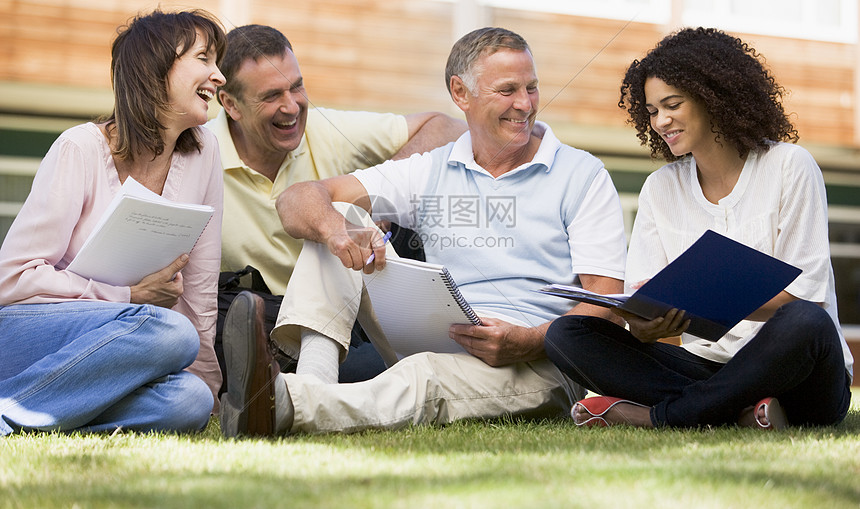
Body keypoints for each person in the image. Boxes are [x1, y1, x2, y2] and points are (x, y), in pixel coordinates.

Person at [219, 26, 629, 437]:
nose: (525, 104)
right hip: (445, 334)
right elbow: (297, 199)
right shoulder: (432, 168)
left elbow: (607, 300)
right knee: (340, 215)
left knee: (424, 374)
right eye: (508, 90)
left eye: (532, 88)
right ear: (461, 93)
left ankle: (285, 403)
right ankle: (312, 381)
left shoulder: (583, 175)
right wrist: (338, 232)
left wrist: (529, 339)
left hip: (539, 365)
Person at [544, 27, 854, 430]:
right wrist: (645, 324)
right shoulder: (660, 188)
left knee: (804, 322)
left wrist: (708, 305)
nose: (661, 121)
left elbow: (805, 297)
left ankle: (663, 417)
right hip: (707, 368)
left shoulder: (790, 166)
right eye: (652, 111)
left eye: (672, 104)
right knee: (567, 333)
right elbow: (641, 303)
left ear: (713, 96)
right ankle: (739, 412)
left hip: (801, 372)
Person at [0, 9, 227, 435]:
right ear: (156, 68)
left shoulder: (205, 154)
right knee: (171, 331)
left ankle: (45, 409)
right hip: (25, 334)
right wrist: (125, 296)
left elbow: (199, 285)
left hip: (123, 347)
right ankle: (9, 415)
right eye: (204, 59)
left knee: (189, 400)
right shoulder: (79, 148)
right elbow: (11, 280)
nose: (219, 76)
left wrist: (207, 382)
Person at [208, 24, 467, 390]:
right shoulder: (199, 152)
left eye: (296, 86)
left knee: (368, 365)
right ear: (230, 105)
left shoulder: (327, 130)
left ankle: (301, 380)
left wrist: (378, 196)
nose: (291, 105)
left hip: (340, 313)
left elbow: (444, 127)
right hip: (253, 311)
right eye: (271, 96)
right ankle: (297, 379)